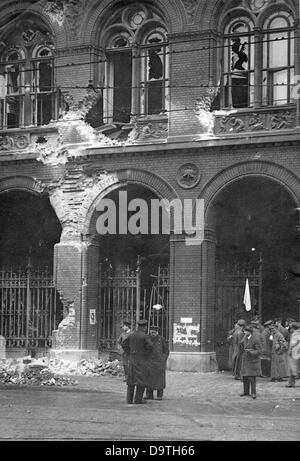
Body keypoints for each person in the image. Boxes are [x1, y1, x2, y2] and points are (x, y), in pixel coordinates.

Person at [122, 319, 153, 405]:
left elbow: (124, 344)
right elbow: (150, 346)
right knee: (141, 380)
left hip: (132, 360)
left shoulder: (132, 335)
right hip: (141, 360)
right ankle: (138, 399)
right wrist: (146, 354)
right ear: (144, 327)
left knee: (131, 380)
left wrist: (130, 352)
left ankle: (129, 399)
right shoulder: (145, 336)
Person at [145, 325, 169, 400]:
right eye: (152, 332)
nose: (153, 334)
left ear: (157, 332)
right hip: (149, 362)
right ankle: (149, 394)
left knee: (160, 379)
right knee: (148, 379)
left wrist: (163, 360)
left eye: (154, 332)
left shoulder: (161, 339)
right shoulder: (147, 339)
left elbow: (166, 351)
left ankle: (159, 395)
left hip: (159, 362)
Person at [240, 324, 262, 399]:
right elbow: (242, 345)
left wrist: (251, 353)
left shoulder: (255, 339)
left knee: (252, 378)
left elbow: (259, 351)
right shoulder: (245, 338)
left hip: (252, 360)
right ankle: (246, 391)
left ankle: (253, 393)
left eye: (246, 331)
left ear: (250, 332)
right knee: (245, 377)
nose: (244, 332)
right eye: (244, 331)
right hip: (246, 360)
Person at [286, 322, 300, 388]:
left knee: (292, 368)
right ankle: (291, 383)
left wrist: (289, 351)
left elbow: (292, 344)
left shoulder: (295, 334)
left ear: (293, 328)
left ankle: (291, 383)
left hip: (294, 353)